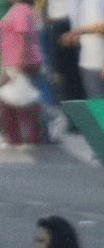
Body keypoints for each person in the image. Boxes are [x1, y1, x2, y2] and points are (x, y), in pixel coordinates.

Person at [0, 0, 42, 148]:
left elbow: (23, 37)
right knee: (14, 101)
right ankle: (16, 137)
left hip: (23, 63)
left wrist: (18, 63)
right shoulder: (17, 9)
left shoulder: (21, 10)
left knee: (22, 101)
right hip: (15, 62)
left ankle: (25, 137)